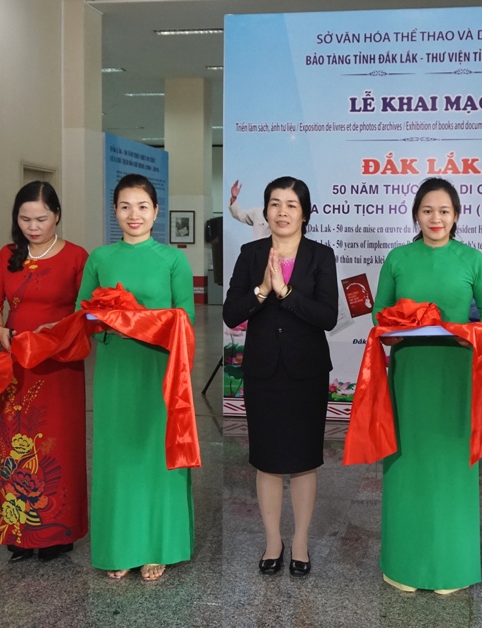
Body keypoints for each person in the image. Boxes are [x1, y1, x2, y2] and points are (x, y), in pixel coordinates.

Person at [372, 177, 482, 594]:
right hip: (409, 374)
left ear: (457, 216)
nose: (436, 218)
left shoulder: (473, 260)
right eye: (427, 210)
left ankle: (451, 565)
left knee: (451, 468)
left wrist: (474, 333)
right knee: (406, 463)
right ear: (415, 215)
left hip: (456, 374)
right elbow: (378, 316)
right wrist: (402, 323)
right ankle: (402, 563)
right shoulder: (398, 259)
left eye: (444, 211)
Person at [76, 173, 196, 581]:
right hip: (115, 370)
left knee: (154, 456)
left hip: (159, 370)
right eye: (125, 206)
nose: (134, 215)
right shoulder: (100, 259)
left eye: (142, 206)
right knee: (118, 457)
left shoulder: (173, 260)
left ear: (156, 211)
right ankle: (120, 547)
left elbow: (186, 317)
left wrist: (140, 320)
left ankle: (157, 546)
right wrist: (105, 318)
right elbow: (82, 316)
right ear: (114, 211)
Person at [223, 176, 338, 577]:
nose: (282, 211)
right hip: (263, 371)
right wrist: (262, 291)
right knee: (267, 461)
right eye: (275, 203)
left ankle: (302, 541)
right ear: (266, 211)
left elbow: (327, 315)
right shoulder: (251, 252)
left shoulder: (321, 256)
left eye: (291, 204)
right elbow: (230, 312)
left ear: (305, 213)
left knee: (305, 461)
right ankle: (273, 540)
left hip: (306, 371)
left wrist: (286, 294)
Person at [0, 181, 89, 562]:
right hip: (16, 361)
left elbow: (85, 312)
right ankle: (19, 531)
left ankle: (59, 531)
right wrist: (0, 330)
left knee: (58, 441)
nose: (33, 226)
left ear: (57, 216)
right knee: (14, 443)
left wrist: (56, 334)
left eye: (41, 218)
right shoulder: (7, 255)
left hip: (59, 364)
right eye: (25, 218)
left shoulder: (77, 256)